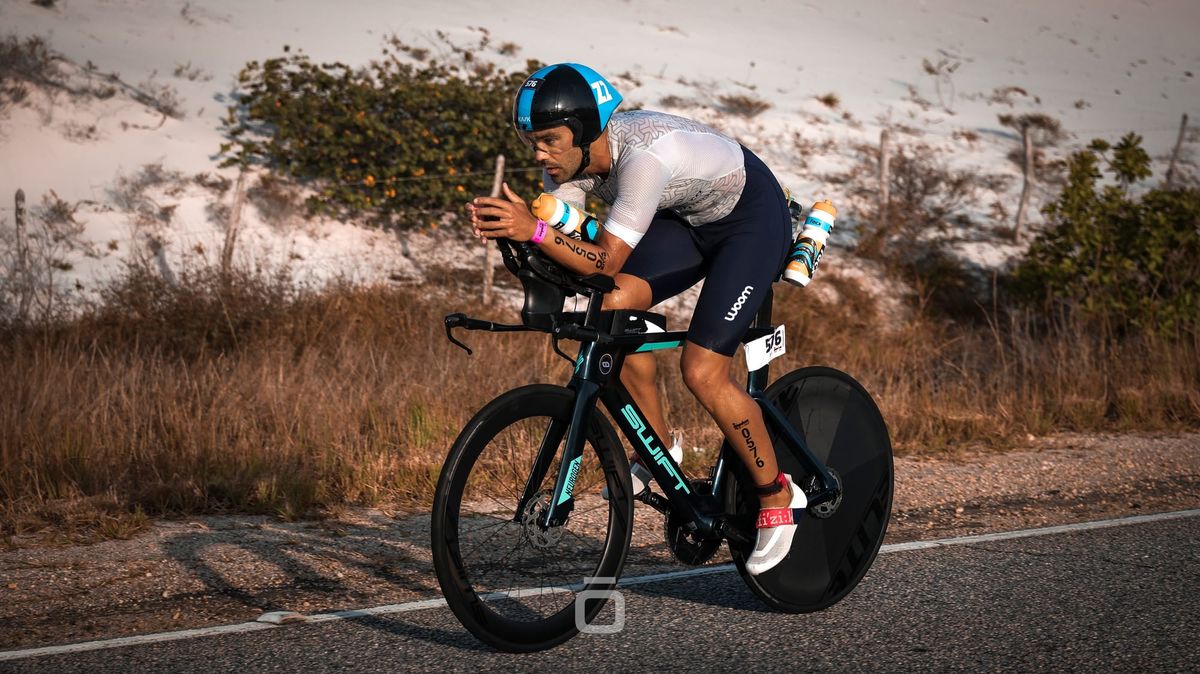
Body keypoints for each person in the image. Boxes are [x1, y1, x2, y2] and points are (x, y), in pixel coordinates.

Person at [467, 62, 805, 575]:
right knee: (611, 307)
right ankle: (658, 447)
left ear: (584, 132)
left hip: (750, 220)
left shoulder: (643, 159)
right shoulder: (568, 166)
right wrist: (523, 237)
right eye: (533, 140)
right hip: (689, 219)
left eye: (550, 140)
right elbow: (575, 259)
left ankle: (777, 493)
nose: (540, 153)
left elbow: (603, 259)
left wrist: (532, 232)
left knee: (702, 370)